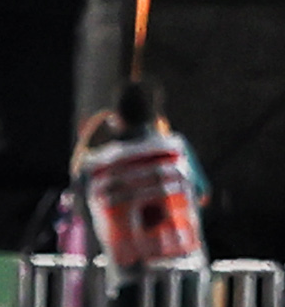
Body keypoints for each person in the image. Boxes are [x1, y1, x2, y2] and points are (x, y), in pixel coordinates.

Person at [74, 79, 205, 269]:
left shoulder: (98, 167)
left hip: (129, 271)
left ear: (118, 116)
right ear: (156, 115)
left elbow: (82, 208)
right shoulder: (175, 152)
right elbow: (199, 192)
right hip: (182, 266)